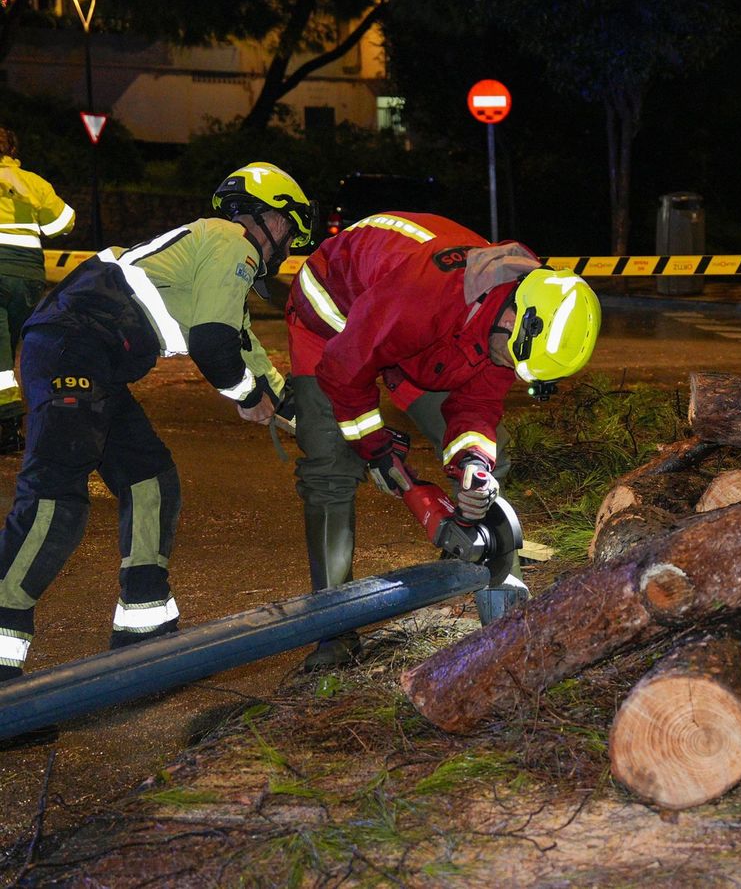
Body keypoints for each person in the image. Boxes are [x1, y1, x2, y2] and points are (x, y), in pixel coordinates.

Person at [0, 162, 313, 681]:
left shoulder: (214, 252)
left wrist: (311, 422)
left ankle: (143, 634)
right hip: (74, 349)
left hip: (86, 355)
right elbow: (214, 346)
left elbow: (246, 351)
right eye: (288, 229)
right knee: (54, 499)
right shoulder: (233, 243)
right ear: (271, 218)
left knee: (151, 480)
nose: (285, 242)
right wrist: (246, 396)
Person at [286, 211, 600, 669]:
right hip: (334, 318)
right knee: (331, 467)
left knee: (494, 455)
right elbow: (345, 367)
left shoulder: (512, 327)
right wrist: (376, 449)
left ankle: (501, 609)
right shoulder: (427, 295)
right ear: (513, 316)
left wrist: (474, 464)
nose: (509, 369)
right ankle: (335, 633)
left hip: (423, 340)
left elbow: (476, 407)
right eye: (511, 358)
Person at [0, 128, 76, 454]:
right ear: (13, 151)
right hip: (27, 276)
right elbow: (63, 223)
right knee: (8, 349)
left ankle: (8, 425)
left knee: (1, 356)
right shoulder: (33, 183)